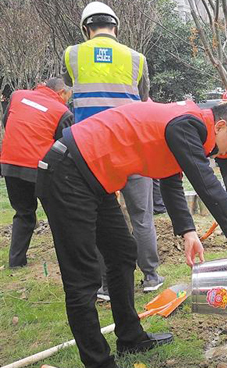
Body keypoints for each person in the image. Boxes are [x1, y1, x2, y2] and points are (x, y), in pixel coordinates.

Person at [36, 100, 227, 368]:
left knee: (122, 253)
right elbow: (205, 181)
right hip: (68, 173)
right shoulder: (189, 124)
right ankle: (98, 362)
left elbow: (170, 181)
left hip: (93, 179)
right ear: (221, 126)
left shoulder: (185, 126)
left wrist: (189, 232)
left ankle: (131, 337)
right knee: (82, 278)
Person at [62, 1, 162, 296]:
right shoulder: (136, 58)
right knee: (142, 216)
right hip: (132, 148)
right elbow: (144, 99)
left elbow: (70, 82)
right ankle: (152, 276)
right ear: (116, 27)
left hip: (92, 153)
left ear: (86, 28)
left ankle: (106, 285)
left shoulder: (73, 54)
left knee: (101, 219)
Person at [0, 78, 73, 268]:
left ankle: (16, 262)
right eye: (68, 95)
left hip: (9, 163)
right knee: (58, 215)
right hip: (39, 168)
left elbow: (6, 121)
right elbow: (63, 146)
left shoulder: (17, 96)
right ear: (62, 93)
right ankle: (68, 260)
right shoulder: (62, 112)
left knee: (23, 213)